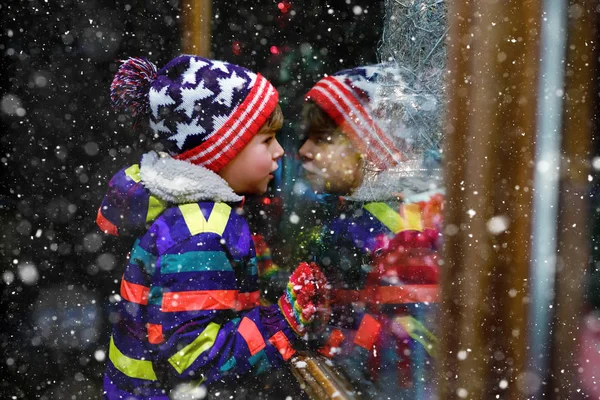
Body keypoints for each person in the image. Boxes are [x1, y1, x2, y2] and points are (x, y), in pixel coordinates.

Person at [96, 55, 330, 399]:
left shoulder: (200, 218)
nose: (280, 151)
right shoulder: (201, 233)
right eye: (266, 141)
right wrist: (283, 322)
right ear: (221, 153)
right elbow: (200, 360)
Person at [297, 63, 443, 397]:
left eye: (322, 139)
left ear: (369, 146)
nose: (304, 151)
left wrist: (328, 344)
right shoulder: (372, 217)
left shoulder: (372, 230)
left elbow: (390, 338)